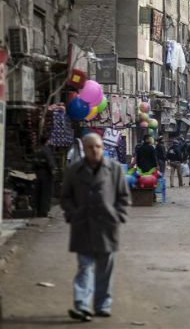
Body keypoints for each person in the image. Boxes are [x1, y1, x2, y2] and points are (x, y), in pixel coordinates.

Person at [61, 133, 129, 321]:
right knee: (85, 267)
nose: (95, 150)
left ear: (102, 148)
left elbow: (123, 196)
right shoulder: (74, 170)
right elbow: (65, 197)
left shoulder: (114, 169)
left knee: (105, 270)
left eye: (98, 147)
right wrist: (73, 215)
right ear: (84, 148)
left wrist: (118, 216)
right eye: (90, 147)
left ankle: (102, 305)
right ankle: (82, 306)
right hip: (82, 226)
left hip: (107, 227)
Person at [33, 137, 56, 217]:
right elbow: (50, 163)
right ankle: (44, 212)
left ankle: (38, 211)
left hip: (38, 173)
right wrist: (53, 171)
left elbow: (34, 162)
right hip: (46, 174)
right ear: (47, 141)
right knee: (46, 193)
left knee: (38, 192)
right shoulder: (47, 150)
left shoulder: (37, 150)